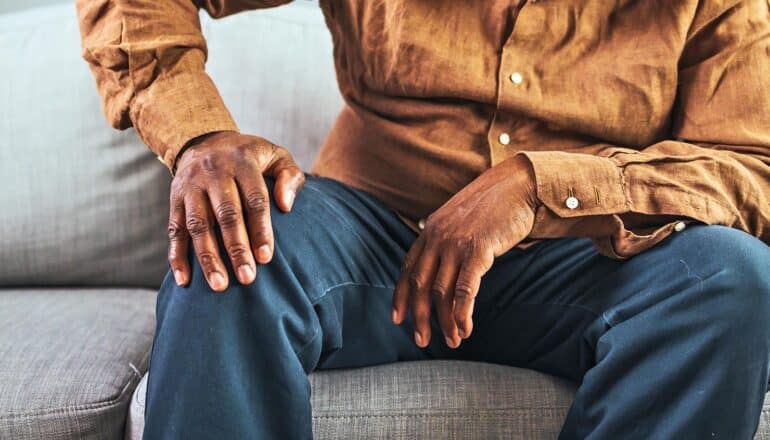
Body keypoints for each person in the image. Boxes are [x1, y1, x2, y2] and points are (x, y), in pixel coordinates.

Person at [76, 1, 770, 438]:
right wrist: (197, 137)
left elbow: (750, 165)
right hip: (371, 236)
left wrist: (538, 187)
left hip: (585, 259)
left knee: (733, 280)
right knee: (228, 247)